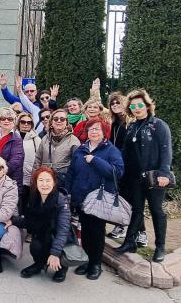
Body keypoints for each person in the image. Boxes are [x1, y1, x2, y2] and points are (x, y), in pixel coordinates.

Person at [114, 89, 173, 263]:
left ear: (147, 106)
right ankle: (130, 242)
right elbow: (126, 152)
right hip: (135, 178)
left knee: (156, 210)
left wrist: (165, 173)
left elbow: (166, 150)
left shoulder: (158, 125)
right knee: (136, 210)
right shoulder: (132, 126)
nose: (137, 108)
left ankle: (160, 247)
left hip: (154, 177)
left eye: (140, 105)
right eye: (133, 106)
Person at [67, 117, 124, 279]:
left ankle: (95, 264)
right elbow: (72, 172)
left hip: (99, 200)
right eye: (91, 129)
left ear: (104, 132)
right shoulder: (81, 149)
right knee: (84, 230)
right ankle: (85, 261)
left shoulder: (110, 150)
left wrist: (96, 160)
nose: (93, 132)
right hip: (82, 198)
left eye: (97, 129)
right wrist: (69, 192)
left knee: (97, 232)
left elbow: (117, 172)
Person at [20, 166, 71, 282]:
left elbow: (63, 231)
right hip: (44, 234)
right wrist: (12, 221)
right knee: (35, 245)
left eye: (48, 181)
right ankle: (39, 265)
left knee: (59, 247)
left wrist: (55, 253)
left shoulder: (61, 200)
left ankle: (62, 268)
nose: (44, 184)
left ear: (54, 183)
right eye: (41, 180)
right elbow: (29, 222)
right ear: (36, 183)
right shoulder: (33, 198)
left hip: (61, 238)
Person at [106, 91, 132, 240]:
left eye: (118, 102)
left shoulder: (130, 122)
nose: (115, 105)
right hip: (116, 164)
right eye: (112, 103)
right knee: (119, 196)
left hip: (127, 165)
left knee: (126, 197)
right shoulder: (114, 122)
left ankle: (125, 227)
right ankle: (120, 225)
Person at [33, 109, 81, 182]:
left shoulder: (74, 141)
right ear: (51, 122)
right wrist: (34, 182)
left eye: (62, 119)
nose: (59, 121)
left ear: (66, 122)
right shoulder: (44, 139)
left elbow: (77, 166)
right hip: (45, 182)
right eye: (55, 119)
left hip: (63, 183)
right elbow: (37, 161)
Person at [18, 112, 42, 199]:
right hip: (14, 178)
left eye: (29, 122)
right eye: (23, 122)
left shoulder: (36, 139)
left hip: (29, 179)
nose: (25, 124)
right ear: (18, 123)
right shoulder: (13, 137)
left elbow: (40, 158)